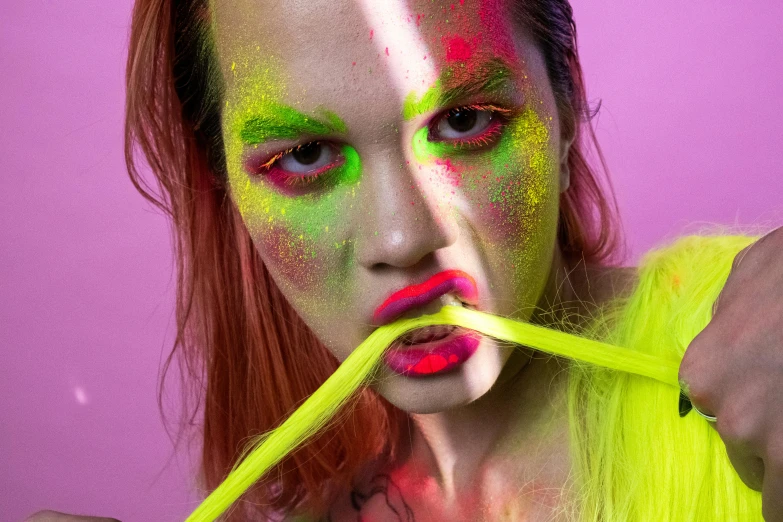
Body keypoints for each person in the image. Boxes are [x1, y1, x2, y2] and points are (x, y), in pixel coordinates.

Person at [28, 0, 783, 521]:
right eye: (305, 155)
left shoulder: (746, 361)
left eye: (463, 122)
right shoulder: (319, 502)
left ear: (564, 109)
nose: (401, 240)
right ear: (224, 184)